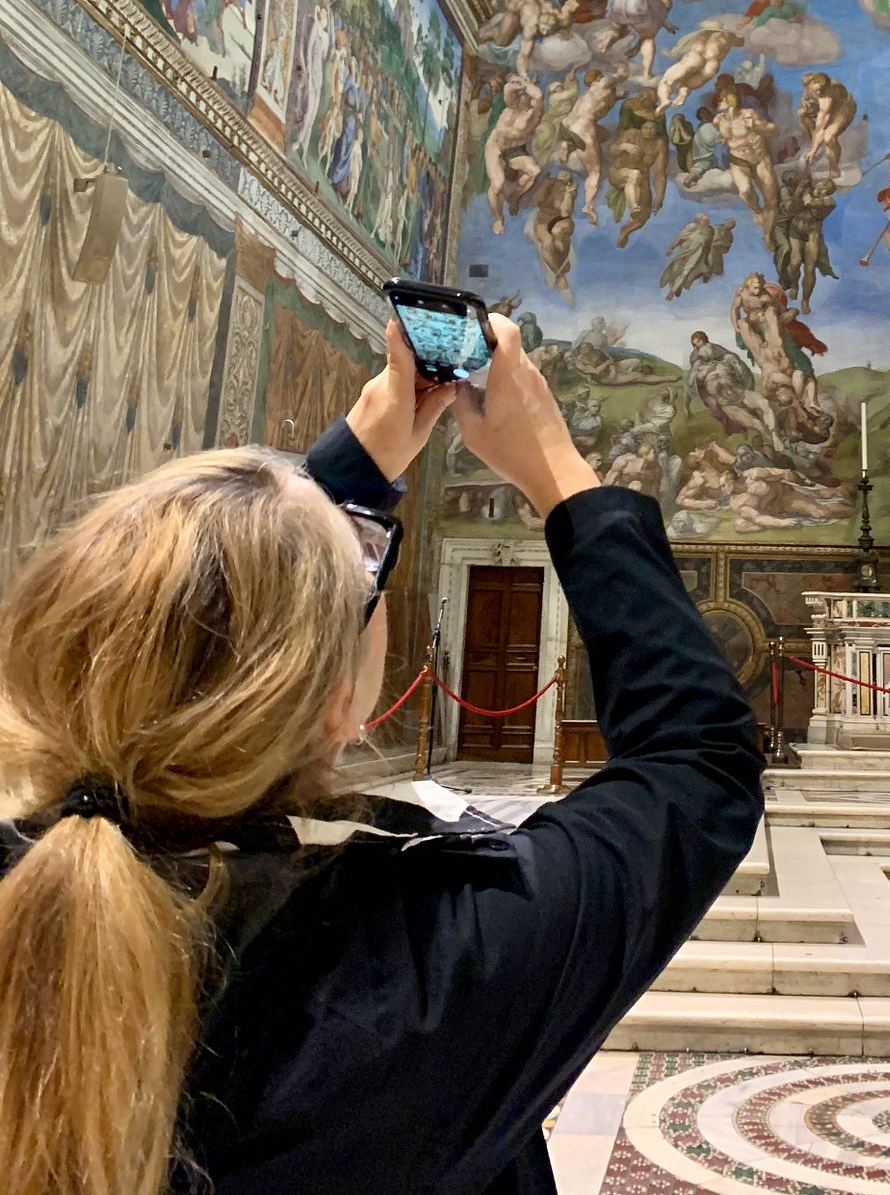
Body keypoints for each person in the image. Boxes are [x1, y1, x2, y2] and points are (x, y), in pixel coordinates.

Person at [0, 316, 763, 1195]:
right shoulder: (420, 971)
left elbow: (209, 628)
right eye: (364, 572)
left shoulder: (37, 886)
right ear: (338, 703)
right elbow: (696, 759)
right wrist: (554, 464)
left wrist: (326, 490)